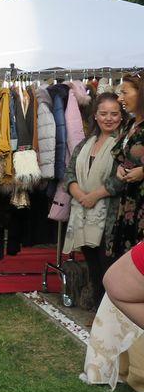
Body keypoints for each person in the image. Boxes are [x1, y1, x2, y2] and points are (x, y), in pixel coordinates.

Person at [64, 92, 123, 303]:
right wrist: (80, 195)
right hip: (84, 215)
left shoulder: (123, 145)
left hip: (109, 217)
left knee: (109, 269)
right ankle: (99, 313)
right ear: (95, 116)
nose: (109, 118)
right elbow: (69, 173)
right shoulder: (86, 143)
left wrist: (95, 196)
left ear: (121, 116)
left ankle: (110, 316)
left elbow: (123, 178)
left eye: (114, 114)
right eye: (104, 113)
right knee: (94, 269)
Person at [104, 74, 144, 261]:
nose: (120, 99)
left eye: (124, 93)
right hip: (129, 201)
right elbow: (123, 156)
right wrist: (121, 167)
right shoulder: (131, 123)